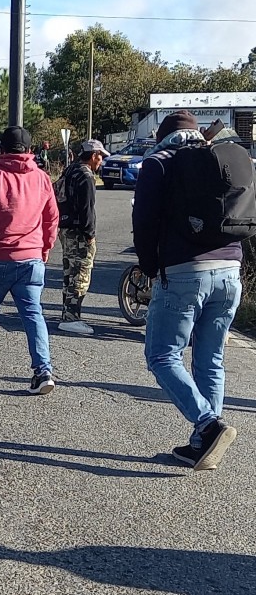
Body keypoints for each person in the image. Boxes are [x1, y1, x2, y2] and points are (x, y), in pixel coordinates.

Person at [134, 110, 244, 470]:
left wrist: (150, 267)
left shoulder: (159, 162)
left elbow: (144, 221)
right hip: (231, 270)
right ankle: (202, 445)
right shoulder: (217, 159)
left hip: (185, 272)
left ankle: (208, 426)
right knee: (210, 359)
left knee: (162, 356)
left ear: (161, 137)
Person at [0, 126, 60, 395]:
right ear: (29, 150)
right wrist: (45, 248)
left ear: (1, 150)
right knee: (33, 314)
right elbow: (52, 218)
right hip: (32, 258)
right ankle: (43, 371)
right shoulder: (42, 178)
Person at [56, 139, 109, 335]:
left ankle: (67, 313)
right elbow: (86, 209)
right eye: (100, 156)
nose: (101, 160)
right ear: (93, 155)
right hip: (79, 232)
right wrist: (90, 234)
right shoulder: (86, 176)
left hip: (65, 228)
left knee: (69, 272)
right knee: (80, 274)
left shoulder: (70, 170)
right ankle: (71, 318)